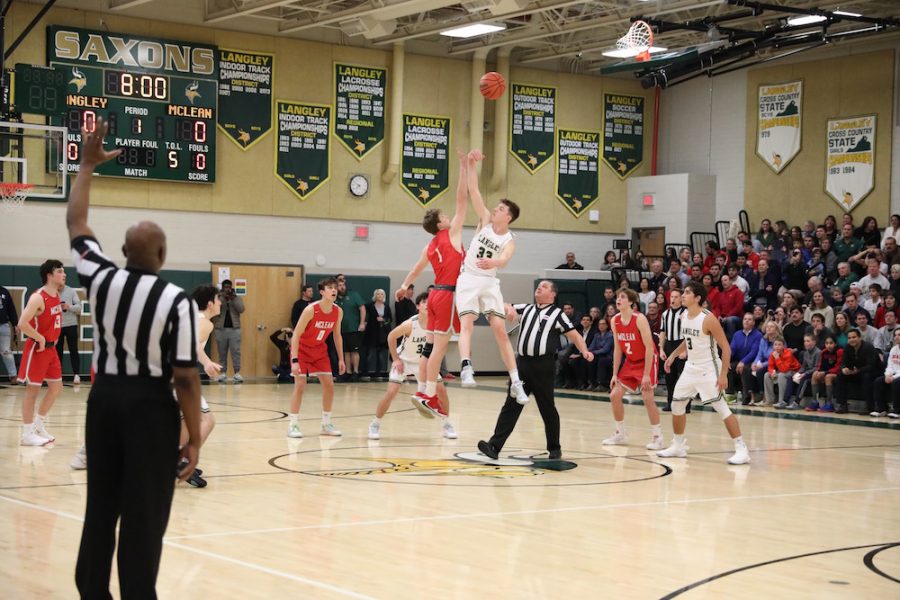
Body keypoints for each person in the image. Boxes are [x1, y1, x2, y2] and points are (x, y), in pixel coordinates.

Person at [70, 118, 202, 599]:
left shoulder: (101, 279)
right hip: (150, 407)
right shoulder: (177, 300)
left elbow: (77, 224)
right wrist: (195, 441)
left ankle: (92, 591)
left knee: (101, 505)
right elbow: (185, 377)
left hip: (104, 401)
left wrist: (86, 165)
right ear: (163, 254)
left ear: (122, 251)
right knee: (143, 517)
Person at [477, 280, 593, 461]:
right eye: (539, 286)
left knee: (547, 407)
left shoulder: (557, 314)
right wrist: (510, 309)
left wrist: (585, 351)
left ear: (553, 294)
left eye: (545, 287)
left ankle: (554, 448)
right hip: (522, 365)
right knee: (511, 405)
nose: (540, 288)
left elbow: (575, 335)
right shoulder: (527, 308)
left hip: (543, 366)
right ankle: (494, 446)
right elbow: (504, 305)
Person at [395, 150, 468, 419]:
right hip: (447, 295)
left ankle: (425, 393)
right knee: (439, 347)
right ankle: (427, 393)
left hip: (435, 295)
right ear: (440, 223)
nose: (450, 217)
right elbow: (463, 199)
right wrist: (463, 167)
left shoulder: (430, 245)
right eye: (445, 216)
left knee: (431, 345)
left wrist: (404, 286)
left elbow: (416, 269)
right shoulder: (452, 234)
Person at [454, 150, 526, 403]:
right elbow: (473, 190)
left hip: (489, 281)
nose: (494, 210)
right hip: (468, 278)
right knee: (467, 323)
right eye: (495, 207)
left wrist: (494, 261)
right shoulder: (484, 220)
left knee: (500, 330)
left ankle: (516, 381)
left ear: (508, 217)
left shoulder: (509, 238)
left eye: (500, 209)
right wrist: (471, 164)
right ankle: (466, 367)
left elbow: (505, 259)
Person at [658, 281, 751, 465]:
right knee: (677, 405)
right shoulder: (683, 315)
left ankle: (742, 449)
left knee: (721, 408)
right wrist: (672, 356)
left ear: (697, 298)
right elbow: (688, 340)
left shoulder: (708, 318)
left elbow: (725, 347)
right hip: (690, 367)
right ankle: (678, 445)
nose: (682, 295)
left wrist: (723, 374)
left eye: (686, 293)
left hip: (709, 368)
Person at [368, 293, 456, 440]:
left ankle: (447, 423)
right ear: (417, 306)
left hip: (425, 363)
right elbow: (391, 336)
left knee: (441, 391)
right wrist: (395, 360)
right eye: (423, 302)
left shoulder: (437, 324)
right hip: (405, 361)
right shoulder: (410, 324)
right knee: (391, 392)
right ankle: (375, 424)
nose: (427, 304)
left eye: (430, 302)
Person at [601, 288, 664, 450]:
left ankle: (658, 437)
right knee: (614, 395)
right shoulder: (614, 320)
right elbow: (617, 348)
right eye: (617, 297)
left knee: (647, 397)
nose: (618, 299)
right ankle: (620, 433)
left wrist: (646, 375)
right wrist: (615, 374)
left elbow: (650, 348)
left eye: (622, 297)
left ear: (630, 302)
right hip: (630, 362)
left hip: (647, 360)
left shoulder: (639, 319)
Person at [16, 259, 66, 445]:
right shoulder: (38, 297)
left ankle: (38, 425)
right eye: (60, 271)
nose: (64, 274)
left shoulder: (56, 296)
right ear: (49, 275)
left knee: (56, 388)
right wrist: (41, 337)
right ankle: (27, 434)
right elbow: (22, 324)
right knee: (32, 390)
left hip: (51, 351)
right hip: (38, 349)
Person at [288, 277, 345, 437]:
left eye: (335, 287)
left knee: (329, 385)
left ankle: (326, 425)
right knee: (300, 385)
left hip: (319, 351)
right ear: (322, 292)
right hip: (302, 350)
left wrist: (341, 359)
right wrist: (294, 360)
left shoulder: (338, 311)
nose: (334, 290)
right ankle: (292, 425)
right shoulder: (311, 310)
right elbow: (296, 335)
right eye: (330, 288)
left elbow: (337, 336)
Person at [180, 284, 223, 488]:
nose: (221, 302)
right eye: (218, 299)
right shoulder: (204, 323)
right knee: (208, 419)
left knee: (189, 424)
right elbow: (191, 344)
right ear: (210, 304)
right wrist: (206, 362)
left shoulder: (188, 317)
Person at [833, 328, 879, 415]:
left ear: (859, 338)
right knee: (840, 375)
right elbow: (843, 362)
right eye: (849, 338)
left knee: (866, 376)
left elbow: (871, 365)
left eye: (854, 337)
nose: (851, 340)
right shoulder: (847, 347)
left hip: (873, 372)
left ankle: (870, 407)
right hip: (857, 372)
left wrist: (858, 371)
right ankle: (842, 405)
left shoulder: (868, 347)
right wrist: (844, 368)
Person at [212, 279, 245, 382]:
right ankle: (223, 373)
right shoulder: (218, 297)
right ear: (222, 288)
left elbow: (241, 309)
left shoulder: (236, 297)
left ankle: (237, 373)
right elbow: (214, 309)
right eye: (225, 287)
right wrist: (222, 297)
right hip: (220, 329)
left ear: (231, 287)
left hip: (234, 329)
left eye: (229, 287)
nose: (227, 289)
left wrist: (233, 298)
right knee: (222, 352)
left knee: (236, 352)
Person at [335, 274, 366, 382]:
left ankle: (356, 372)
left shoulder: (354, 295)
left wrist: (362, 323)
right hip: (341, 330)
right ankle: (348, 372)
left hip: (354, 329)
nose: (342, 287)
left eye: (343, 285)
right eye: (339, 285)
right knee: (346, 352)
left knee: (354, 351)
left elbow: (362, 308)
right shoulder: (334, 299)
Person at [730, 313, 763, 405]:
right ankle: (730, 395)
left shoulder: (758, 335)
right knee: (728, 367)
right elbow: (732, 349)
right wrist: (726, 360)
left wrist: (743, 362)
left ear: (753, 322)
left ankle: (746, 397)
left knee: (745, 369)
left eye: (749, 319)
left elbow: (753, 352)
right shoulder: (737, 334)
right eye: (745, 319)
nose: (746, 321)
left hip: (751, 361)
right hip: (738, 360)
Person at [56, 281, 83, 384]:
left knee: (73, 350)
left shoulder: (71, 291)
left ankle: (76, 375)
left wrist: (69, 307)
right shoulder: (51, 292)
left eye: (63, 281)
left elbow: (79, 307)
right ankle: (58, 376)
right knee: (58, 351)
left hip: (71, 325)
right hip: (58, 326)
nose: (60, 284)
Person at [363, 289, 392, 380]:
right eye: (378, 294)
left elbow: (390, 319)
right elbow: (365, 314)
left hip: (382, 334)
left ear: (384, 296)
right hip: (372, 333)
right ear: (375, 295)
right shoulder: (370, 306)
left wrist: (383, 320)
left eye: (382, 294)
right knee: (369, 354)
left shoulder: (386, 307)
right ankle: (365, 373)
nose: (380, 296)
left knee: (380, 355)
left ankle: (378, 373)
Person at [871, 328, 900, 418]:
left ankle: (897, 411)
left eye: (899, 335)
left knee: (896, 382)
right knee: (878, 381)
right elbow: (890, 365)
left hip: (897, 376)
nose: (897, 337)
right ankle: (881, 409)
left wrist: (894, 377)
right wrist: (887, 375)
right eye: (895, 335)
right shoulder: (894, 349)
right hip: (894, 375)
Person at [808, 336, 842, 412]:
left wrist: (825, 372)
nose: (828, 345)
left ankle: (829, 403)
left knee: (828, 377)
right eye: (826, 343)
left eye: (831, 343)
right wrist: (818, 371)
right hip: (826, 372)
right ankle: (815, 401)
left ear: (835, 344)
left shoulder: (839, 351)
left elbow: (838, 368)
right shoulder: (823, 352)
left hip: (838, 374)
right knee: (814, 375)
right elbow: (820, 365)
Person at [765, 337, 801, 408]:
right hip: (782, 370)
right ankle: (769, 400)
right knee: (767, 375)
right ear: (773, 346)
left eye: (779, 345)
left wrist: (777, 358)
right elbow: (770, 366)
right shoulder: (773, 353)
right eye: (775, 345)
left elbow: (784, 369)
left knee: (781, 375)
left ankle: (782, 401)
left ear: (783, 346)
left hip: (794, 371)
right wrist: (772, 372)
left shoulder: (788, 353)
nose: (777, 347)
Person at [0, 284, 20, 383]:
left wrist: (15, 324)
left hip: (3, 325)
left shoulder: (4, 292)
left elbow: (11, 309)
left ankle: (13, 375)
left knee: (6, 352)